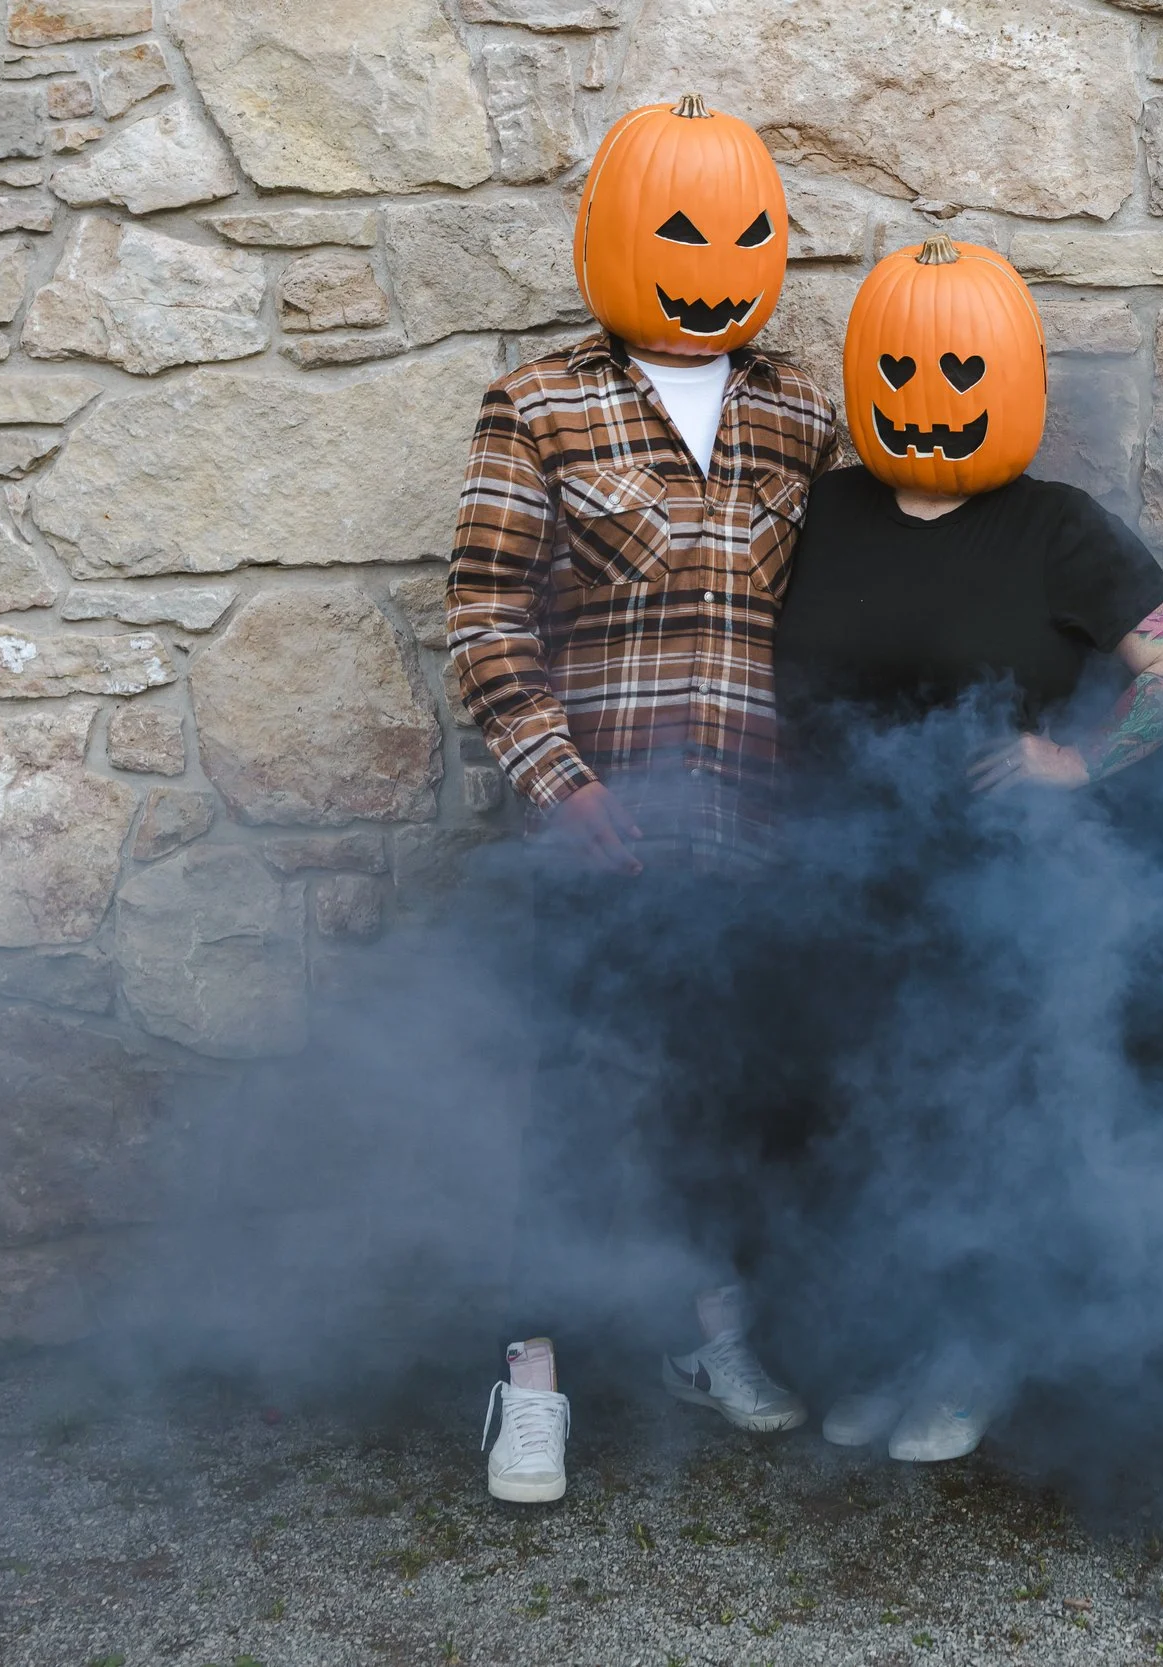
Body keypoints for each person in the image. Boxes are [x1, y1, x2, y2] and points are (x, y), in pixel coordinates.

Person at [447, 94, 838, 1506]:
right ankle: (531, 1380)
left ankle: (711, 1336)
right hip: (594, 829)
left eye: (744, 233)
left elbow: (824, 626)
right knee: (569, 1103)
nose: (712, 259)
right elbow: (485, 615)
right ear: (614, 239)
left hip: (745, 835)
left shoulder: (800, 410)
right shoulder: (540, 402)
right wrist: (562, 783)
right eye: (681, 230)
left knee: (724, 1100)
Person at [771, 237, 1163, 1462]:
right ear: (866, 370)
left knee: (979, 1120)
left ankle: (969, 1358)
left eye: (959, 364)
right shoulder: (820, 509)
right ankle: (883, 1346)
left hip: (997, 892)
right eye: (901, 363)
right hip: (834, 881)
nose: (928, 389)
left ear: (1015, 372)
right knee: (859, 1125)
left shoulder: (1057, 529)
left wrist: (1079, 761)